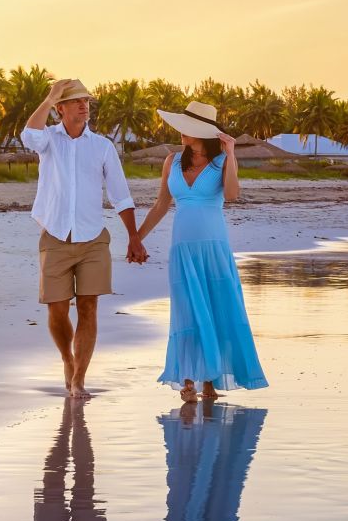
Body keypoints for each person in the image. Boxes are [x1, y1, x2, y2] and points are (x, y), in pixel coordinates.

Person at [136, 101, 268, 401]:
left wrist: (232, 154)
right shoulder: (172, 161)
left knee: (216, 311)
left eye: (189, 128)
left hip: (214, 249)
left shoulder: (222, 161)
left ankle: (210, 382)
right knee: (187, 314)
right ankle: (187, 380)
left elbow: (232, 195)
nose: (182, 133)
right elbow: (161, 205)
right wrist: (137, 237)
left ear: (203, 133)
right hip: (183, 251)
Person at [23, 79, 147, 399]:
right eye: (75, 101)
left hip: (93, 238)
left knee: (89, 308)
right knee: (57, 309)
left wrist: (134, 237)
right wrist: (49, 96)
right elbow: (28, 135)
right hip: (55, 235)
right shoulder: (48, 139)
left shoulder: (102, 146)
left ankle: (78, 379)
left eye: (86, 101)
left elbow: (120, 195)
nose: (83, 105)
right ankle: (67, 358)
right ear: (60, 108)